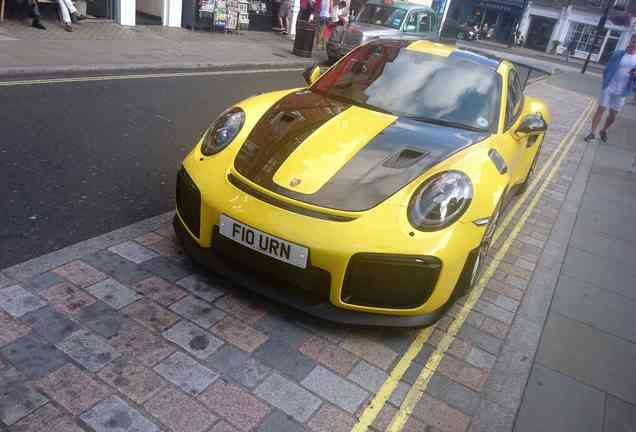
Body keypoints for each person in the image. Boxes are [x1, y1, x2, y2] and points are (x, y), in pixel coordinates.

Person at [584, 34, 636, 143]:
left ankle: (603, 130)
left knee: (613, 114)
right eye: (633, 41)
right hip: (609, 87)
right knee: (601, 109)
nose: (634, 44)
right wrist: (605, 82)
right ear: (630, 41)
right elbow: (607, 68)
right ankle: (592, 133)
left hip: (622, 91)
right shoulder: (618, 54)